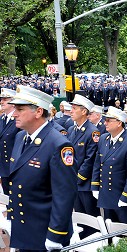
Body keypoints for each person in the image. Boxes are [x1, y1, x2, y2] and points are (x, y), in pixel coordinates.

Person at [8, 85, 77, 250]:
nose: (14, 113)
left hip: (44, 232)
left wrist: (55, 235)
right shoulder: (20, 137)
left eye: (20, 109)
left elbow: (64, 195)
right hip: (24, 228)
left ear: (38, 112)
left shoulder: (58, 145)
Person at [91, 106, 127, 225]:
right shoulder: (103, 138)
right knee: (109, 230)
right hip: (106, 193)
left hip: (121, 194)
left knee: (125, 233)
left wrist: (126, 196)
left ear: (119, 123)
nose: (105, 122)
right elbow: (98, 163)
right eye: (105, 119)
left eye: (109, 120)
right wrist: (95, 185)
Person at [68, 94, 100, 238]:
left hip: (85, 183)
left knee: (91, 217)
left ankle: (93, 243)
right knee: (80, 217)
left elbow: (90, 159)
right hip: (73, 181)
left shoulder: (92, 132)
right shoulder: (71, 130)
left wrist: (78, 177)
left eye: (74, 109)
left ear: (84, 111)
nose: (70, 111)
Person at [0, 88, 20, 195]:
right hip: (3, 167)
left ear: (13, 102)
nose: (2, 102)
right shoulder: (2, 119)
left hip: (14, 167)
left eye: (5, 99)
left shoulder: (18, 119)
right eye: (1, 99)